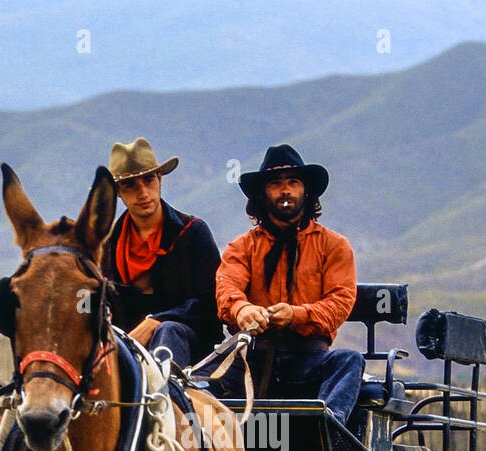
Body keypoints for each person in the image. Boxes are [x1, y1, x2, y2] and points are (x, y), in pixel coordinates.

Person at [212, 144, 362, 423]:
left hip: (308, 360)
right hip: (250, 358)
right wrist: (242, 310)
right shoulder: (241, 247)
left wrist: (296, 315)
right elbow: (227, 286)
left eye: (293, 182)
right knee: (196, 383)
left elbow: (340, 302)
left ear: (306, 191)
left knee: (349, 362)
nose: (285, 190)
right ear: (262, 193)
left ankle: (326, 431)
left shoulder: (334, 246)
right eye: (275, 183)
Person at [100, 137, 222, 369]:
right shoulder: (108, 247)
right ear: (118, 193)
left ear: (160, 179)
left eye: (148, 180)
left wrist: (158, 321)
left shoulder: (192, 232)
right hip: (126, 349)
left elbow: (210, 303)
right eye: (130, 185)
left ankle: (164, 400)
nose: (143, 192)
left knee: (168, 331)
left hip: (191, 347)